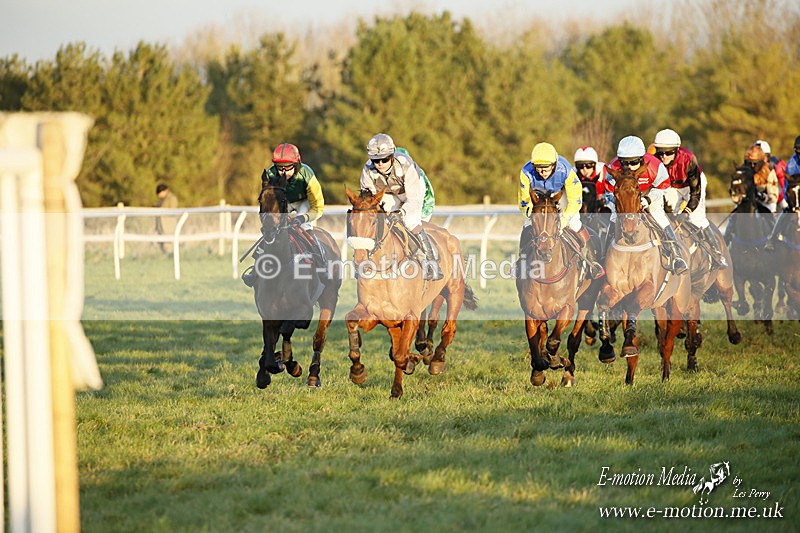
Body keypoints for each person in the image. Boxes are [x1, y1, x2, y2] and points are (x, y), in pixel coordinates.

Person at [359, 133, 443, 280]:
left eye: (384, 159)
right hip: (390, 193)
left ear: (391, 156)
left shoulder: (405, 165)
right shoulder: (368, 170)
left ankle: (432, 264)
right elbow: (369, 199)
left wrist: (401, 213)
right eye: (375, 160)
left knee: (409, 222)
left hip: (413, 192)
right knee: (378, 222)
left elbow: (414, 199)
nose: (379, 164)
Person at [242, 143, 326, 287]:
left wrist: (302, 218)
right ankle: (256, 267)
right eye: (280, 167)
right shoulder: (269, 174)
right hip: (283, 203)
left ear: (297, 164)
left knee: (305, 227)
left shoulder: (307, 176)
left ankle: (320, 261)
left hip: (304, 203)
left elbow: (318, 207)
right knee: (272, 229)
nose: (283, 172)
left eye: (288, 167)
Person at [602, 135, 688, 275]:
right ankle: (604, 256)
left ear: (642, 159)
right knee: (613, 216)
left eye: (633, 162)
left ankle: (676, 255)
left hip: (650, 192)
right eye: (624, 162)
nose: (628, 166)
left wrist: (647, 199)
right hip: (625, 196)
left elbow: (664, 187)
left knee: (658, 215)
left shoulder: (655, 166)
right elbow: (609, 192)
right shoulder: (613, 167)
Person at [518, 142, 604, 279]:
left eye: (546, 168)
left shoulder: (566, 171)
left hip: (560, 197)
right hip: (537, 201)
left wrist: (563, 220)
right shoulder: (525, 172)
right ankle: (520, 264)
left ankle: (592, 262)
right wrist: (534, 217)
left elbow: (576, 200)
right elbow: (524, 202)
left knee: (575, 223)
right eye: (539, 169)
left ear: (554, 165)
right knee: (527, 225)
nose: (542, 172)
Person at [654, 129, 727, 269]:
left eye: (668, 153)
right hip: (671, 186)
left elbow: (695, 193)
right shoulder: (655, 160)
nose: (663, 156)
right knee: (667, 217)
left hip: (692, 186)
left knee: (695, 218)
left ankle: (717, 253)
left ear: (676, 150)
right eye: (660, 152)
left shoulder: (688, 159)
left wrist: (686, 211)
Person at [764, 135, 800, 251]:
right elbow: (787, 186)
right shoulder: (792, 164)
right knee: (786, 211)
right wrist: (789, 201)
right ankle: (772, 239)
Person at [755, 139, 788, 210]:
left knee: (786, 205)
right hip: (761, 198)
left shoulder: (776, 164)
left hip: (777, 196)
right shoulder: (752, 166)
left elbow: (785, 185)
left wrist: (779, 197)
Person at [155, 182, 179, 253]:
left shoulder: (172, 198)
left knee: (168, 244)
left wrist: (162, 210)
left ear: (165, 191)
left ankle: (170, 255)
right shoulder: (161, 200)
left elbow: (172, 211)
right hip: (161, 226)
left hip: (168, 226)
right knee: (161, 244)